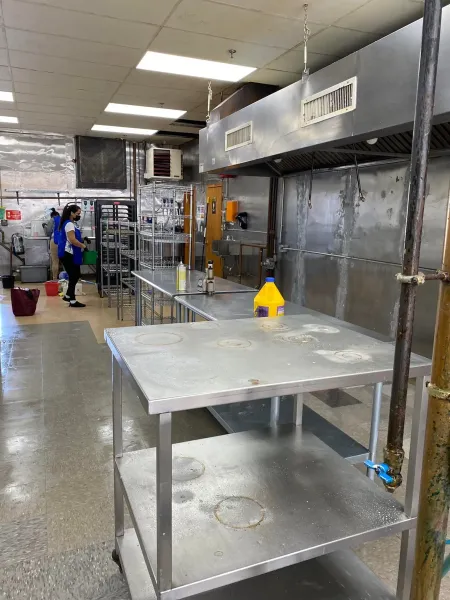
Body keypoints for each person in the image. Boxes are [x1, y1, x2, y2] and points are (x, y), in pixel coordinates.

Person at [58, 204, 87, 308]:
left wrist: (82, 239)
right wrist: (83, 246)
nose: (79, 216)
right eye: (78, 213)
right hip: (68, 253)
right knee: (74, 275)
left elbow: (73, 237)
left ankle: (68, 296)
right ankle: (72, 300)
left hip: (69, 253)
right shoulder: (69, 224)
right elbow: (72, 240)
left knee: (75, 275)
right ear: (72, 213)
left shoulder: (69, 223)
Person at [43, 208, 61, 280]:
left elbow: (48, 232)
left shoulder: (52, 219)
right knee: (66, 261)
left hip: (55, 241)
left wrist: (44, 226)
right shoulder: (65, 220)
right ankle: (67, 279)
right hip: (65, 241)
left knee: (55, 261)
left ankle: (55, 279)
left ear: (52, 216)